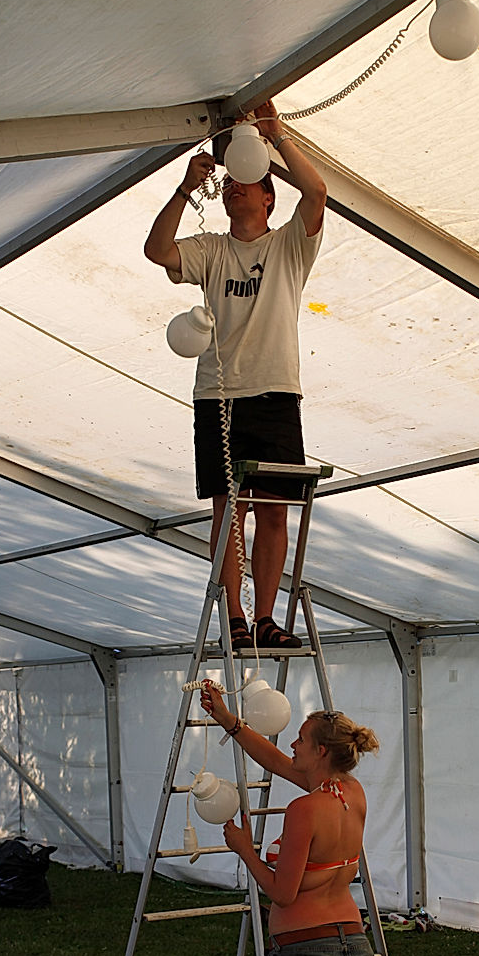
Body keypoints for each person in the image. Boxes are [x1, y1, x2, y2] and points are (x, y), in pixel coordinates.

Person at [144, 99, 327, 651]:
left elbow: (316, 193)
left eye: (246, 181)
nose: (233, 186)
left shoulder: (290, 244)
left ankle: (267, 617)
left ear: (269, 194)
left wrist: (276, 134)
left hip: (276, 393)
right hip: (219, 396)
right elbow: (157, 250)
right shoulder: (212, 250)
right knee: (229, 513)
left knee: (274, 513)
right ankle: (236, 617)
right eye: (228, 183)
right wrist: (183, 187)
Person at [200, 681, 380, 956]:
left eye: (300, 740)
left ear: (321, 751)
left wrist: (244, 849)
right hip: (357, 947)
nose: (292, 746)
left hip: (307, 955)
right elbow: (275, 760)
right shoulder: (353, 792)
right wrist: (228, 720)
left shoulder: (304, 808)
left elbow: (282, 894)